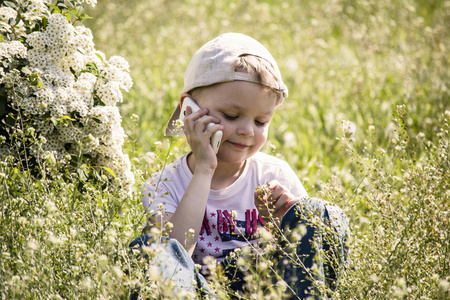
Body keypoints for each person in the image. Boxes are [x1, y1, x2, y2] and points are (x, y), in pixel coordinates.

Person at [129, 33, 348, 299]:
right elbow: (175, 252)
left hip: (263, 288)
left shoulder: (273, 174)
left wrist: (287, 217)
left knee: (316, 214)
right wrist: (204, 169)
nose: (247, 131)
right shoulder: (164, 183)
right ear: (189, 110)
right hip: (199, 290)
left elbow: (302, 254)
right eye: (232, 116)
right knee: (149, 249)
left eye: (261, 122)